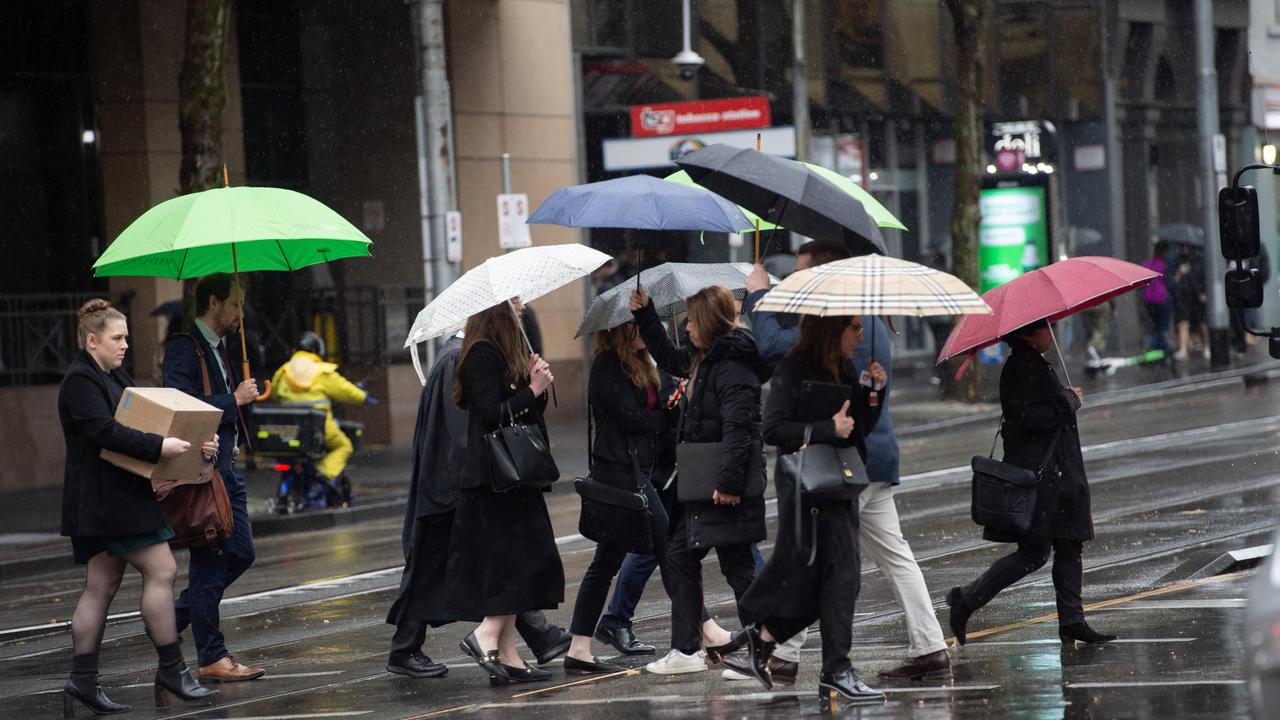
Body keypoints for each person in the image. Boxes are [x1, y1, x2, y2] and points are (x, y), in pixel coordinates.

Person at [737, 239, 951, 682]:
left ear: (824, 272)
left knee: (819, 560)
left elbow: (776, 348)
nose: (793, 279)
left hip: (846, 462)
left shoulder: (843, 321)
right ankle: (927, 646)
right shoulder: (859, 315)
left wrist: (756, 296)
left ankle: (780, 648)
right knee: (869, 558)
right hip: (863, 458)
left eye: (801, 270)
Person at [59, 299, 217, 714]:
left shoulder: (109, 375)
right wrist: (160, 446)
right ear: (92, 341)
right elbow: (105, 432)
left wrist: (196, 443)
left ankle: (82, 681)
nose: (125, 344)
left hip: (108, 499)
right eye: (118, 338)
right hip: (108, 501)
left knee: (102, 585)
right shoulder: (80, 380)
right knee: (161, 569)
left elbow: (144, 420)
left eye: (126, 337)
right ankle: (171, 668)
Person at [385, 330, 571, 678]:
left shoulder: (458, 355)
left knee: (494, 565)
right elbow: (462, 429)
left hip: (453, 483)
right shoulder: (460, 357)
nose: (519, 311)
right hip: (452, 486)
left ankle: (527, 641)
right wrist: (467, 487)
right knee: (442, 566)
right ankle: (406, 647)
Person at [734, 314, 887, 702]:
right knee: (839, 580)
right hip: (806, 490)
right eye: (853, 327)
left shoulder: (844, 368)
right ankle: (836, 669)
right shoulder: (793, 367)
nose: (861, 333)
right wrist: (824, 429)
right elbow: (773, 429)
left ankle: (766, 638)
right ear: (831, 329)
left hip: (839, 484)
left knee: (832, 582)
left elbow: (858, 427)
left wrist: (873, 392)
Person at [947, 319, 1116, 646]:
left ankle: (1073, 620)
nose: (1052, 332)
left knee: (1069, 544)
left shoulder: (1035, 362)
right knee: (1034, 553)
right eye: (1047, 327)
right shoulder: (1020, 367)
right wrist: (1066, 403)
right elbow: (1027, 419)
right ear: (1028, 332)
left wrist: (1064, 401)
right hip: (1043, 479)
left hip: (1059, 475)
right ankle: (965, 600)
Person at [630, 285, 769, 675]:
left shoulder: (733, 366)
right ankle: (689, 651)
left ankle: (766, 647)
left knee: (737, 567)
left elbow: (740, 431)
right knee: (684, 557)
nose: (687, 327)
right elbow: (673, 358)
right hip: (705, 484)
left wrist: (727, 484)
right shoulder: (706, 357)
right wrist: (645, 314)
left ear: (707, 322)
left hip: (722, 486)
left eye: (692, 320)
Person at [446, 302, 565, 685]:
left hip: (514, 480)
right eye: (514, 307)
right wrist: (532, 389)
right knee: (516, 563)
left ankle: (510, 655)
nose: (521, 311)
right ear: (497, 313)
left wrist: (538, 384)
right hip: (495, 480)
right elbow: (493, 414)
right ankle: (485, 634)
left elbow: (524, 412)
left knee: (517, 563)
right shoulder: (480, 354)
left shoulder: (500, 352)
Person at [162, 273, 267, 682]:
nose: (241, 312)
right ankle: (212, 656)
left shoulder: (221, 349)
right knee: (210, 564)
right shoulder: (185, 348)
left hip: (227, 470)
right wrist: (233, 399)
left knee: (241, 552)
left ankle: (171, 619)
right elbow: (179, 405)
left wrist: (246, 399)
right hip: (205, 474)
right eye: (235, 304)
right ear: (212, 302)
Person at [563, 322, 676, 674]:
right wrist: (663, 417)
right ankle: (703, 630)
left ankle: (579, 647)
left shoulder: (645, 363)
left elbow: (651, 416)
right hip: (618, 476)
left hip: (639, 473)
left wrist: (672, 403)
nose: (647, 331)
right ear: (618, 331)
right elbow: (631, 418)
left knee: (607, 561)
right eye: (638, 326)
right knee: (667, 548)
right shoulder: (606, 367)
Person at [269, 331, 367, 483]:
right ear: (317, 350)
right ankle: (322, 474)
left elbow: (274, 395)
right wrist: (363, 396)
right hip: (319, 428)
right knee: (344, 446)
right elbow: (346, 391)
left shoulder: (283, 371)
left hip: (290, 430)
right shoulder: (321, 371)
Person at [1140, 240, 1172, 354]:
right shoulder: (1164, 264)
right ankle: (1158, 351)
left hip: (1149, 299)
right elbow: (1169, 283)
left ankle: (1154, 349)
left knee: (1155, 326)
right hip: (1162, 299)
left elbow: (1141, 283)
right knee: (1162, 328)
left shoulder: (1147, 264)